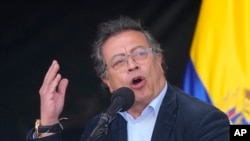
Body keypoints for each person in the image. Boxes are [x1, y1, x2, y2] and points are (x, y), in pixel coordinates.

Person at [26, 16, 230, 141]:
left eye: (140, 53)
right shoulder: (100, 128)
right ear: (107, 80)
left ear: (159, 60)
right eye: (119, 62)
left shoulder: (205, 121)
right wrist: (49, 123)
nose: (132, 65)